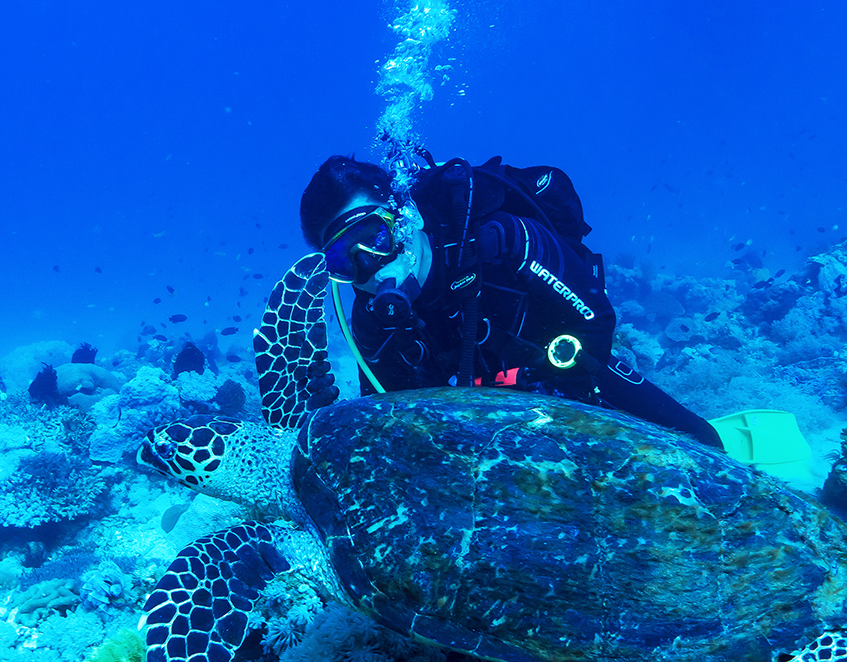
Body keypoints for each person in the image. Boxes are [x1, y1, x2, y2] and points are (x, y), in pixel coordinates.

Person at [298, 154, 723, 449]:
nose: (369, 267)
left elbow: (596, 323)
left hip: (574, 385)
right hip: (477, 439)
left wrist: (540, 389)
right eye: (343, 260)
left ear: (407, 216)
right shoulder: (372, 323)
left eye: (373, 237)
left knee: (704, 443)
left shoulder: (504, 242)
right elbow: (394, 415)